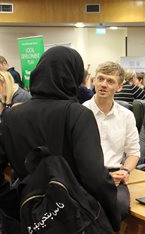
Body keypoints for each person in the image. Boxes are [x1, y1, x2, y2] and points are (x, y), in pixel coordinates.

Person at [0, 46, 121, 233]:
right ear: (74, 76)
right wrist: (112, 215)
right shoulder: (78, 114)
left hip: (30, 215)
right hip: (74, 219)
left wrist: (15, 204)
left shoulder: (11, 117)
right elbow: (94, 175)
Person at [83, 61, 140, 222]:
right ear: (93, 81)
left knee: (120, 207)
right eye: (100, 79)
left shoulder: (126, 116)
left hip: (115, 175)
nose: (103, 85)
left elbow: (133, 152)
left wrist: (126, 172)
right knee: (86, 207)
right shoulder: (81, 112)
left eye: (110, 81)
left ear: (120, 87)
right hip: (87, 176)